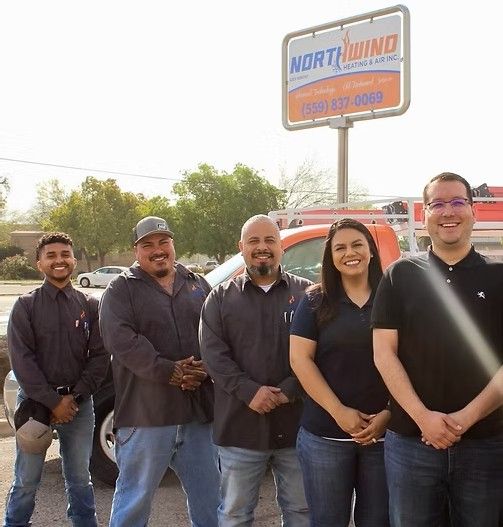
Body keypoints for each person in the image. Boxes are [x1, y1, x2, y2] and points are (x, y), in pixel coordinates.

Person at [372, 172, 503, 526]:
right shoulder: (398, 275)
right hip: (411, 444)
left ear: (473, 212)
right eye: (438, 204)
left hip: (486, 445)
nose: (449, 212)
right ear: (424, 215)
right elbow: (384, 354)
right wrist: (423, 418)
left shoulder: (498, 276)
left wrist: (465, 419)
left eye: (458, 202)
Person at [99, 216, 220, 527]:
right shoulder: (121, 290)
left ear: (173, 245)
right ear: (136, 250)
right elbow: (123, 342)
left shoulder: (196, 283)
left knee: (212, 500)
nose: (157, 250)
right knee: (134, 503)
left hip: (196, 415)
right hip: (146, 417)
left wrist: (205, 368)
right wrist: (170, 371)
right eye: (148, 244)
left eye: (163, 242)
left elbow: (216, 333)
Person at [199, 214, 311, 527]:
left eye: (269, 240)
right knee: (235, 514)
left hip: (297, 427)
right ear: (242, 248)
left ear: (281, 246)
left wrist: (288, 391)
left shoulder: (307, 295)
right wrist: (250, 392)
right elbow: (214, 356)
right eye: (254, 241)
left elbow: (318, 354)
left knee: (302, 512)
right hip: (240, 430)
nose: (262, 247)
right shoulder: (219, 299)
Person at [290, 218, 390, 527]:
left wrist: (390, 413)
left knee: (378, 521)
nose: (350, 253)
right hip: (325, 437)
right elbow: (300, 360)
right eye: (340, 247)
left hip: (383, 436)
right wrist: (338, 411)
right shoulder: (314, 301)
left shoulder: (393, 298)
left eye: (358, 244)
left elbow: (411, 361)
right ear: (331, 256)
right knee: (327, 521)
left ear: (371, 251)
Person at [4, 232, 109, 527]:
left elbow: (100, 357)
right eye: (51, 255)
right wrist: (52, 402)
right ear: (39, 263)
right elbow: (22, 361)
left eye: (65, 254)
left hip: (78, 405)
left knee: (79, 478)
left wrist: (72, 399)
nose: (59, 260)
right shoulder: (26, 306)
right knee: (26, 478)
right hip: (35, 406)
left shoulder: (90, 305)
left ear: (73, 260)